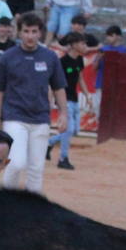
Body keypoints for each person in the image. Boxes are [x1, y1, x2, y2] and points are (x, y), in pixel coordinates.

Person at [0, 13, 68, 194]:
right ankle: (8, 202)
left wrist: (64, 113)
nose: (30, 36)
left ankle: (34, 213)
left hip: (40, 118)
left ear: (40, 33)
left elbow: (59, 88)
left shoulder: (50, 57)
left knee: (36, 168)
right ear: (19, 33)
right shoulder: (8, 57)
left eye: (34, 31)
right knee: (16, 163)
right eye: (26, 31)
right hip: (14, 117)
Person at [47, 31, 87, 169]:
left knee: (74, 130)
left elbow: (80, 78)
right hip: (64, 99)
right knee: (68, 130)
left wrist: (87, 95)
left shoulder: (79, 60)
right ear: (74, 45)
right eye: (82, 43)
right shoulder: (62, 62)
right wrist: (51, 98)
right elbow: (54, 82)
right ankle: (63, 159)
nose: (85, 46)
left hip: (74, 98)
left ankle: (49, 143)